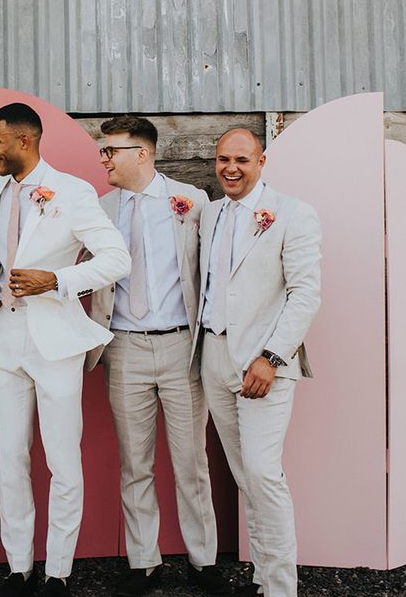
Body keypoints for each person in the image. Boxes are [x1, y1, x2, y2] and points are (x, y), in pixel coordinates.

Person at [0, 103, 131, 597]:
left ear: (25, 141)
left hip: (55, 342)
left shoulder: (75, 193)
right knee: (10, 456)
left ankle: (58, 572)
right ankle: (19, 568)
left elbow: (116, 259)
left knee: (62, 458)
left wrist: (56, 280)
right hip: (2, 336)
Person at [86, 116, 230, 596]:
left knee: (191, 462)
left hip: (181, 348)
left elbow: (215, 270)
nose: (103, 158)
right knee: (135, 463)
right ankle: (143, 563)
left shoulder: (191, 201)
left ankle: (203, 563)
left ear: (141, 153)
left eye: (111, 150)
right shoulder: (99, 207)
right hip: (123, 347)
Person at [193, 128, 322, 597]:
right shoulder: (209, 214)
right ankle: (264, 580)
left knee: (264, 473)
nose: (231, 168)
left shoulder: (292, 213)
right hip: (213, 358)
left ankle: (282, 589)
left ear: (262, 161)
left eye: (242, 160)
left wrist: (271, 357)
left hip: (263, 364)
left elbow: (305, 293)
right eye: (223, 158)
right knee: (245, 475)